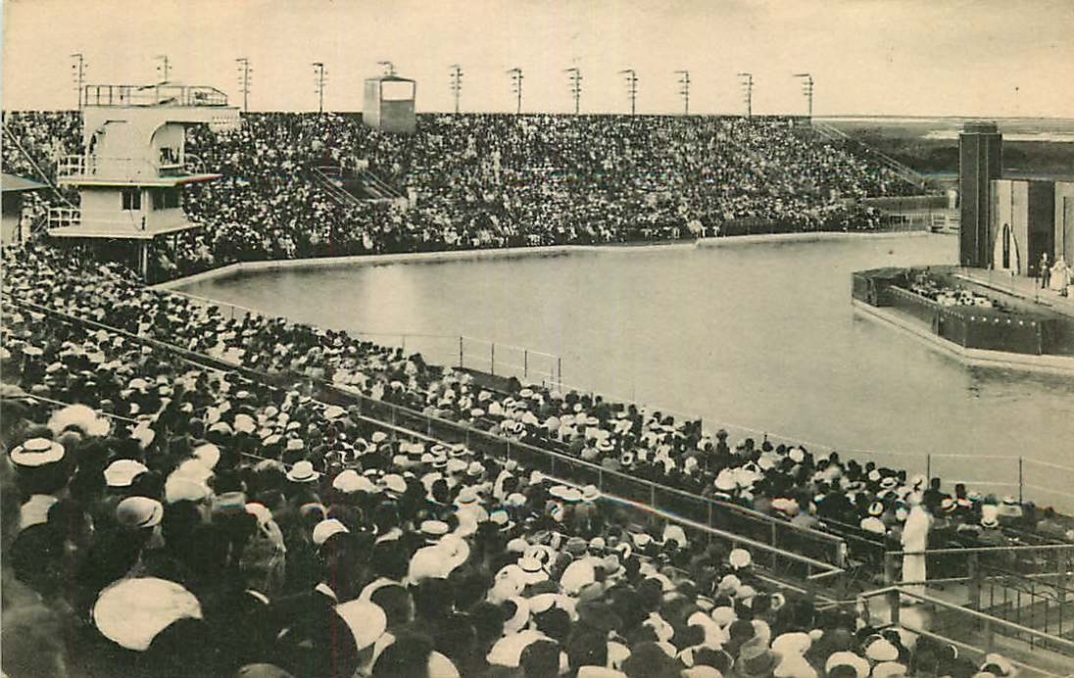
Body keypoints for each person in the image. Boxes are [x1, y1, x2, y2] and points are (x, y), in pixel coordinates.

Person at [900, 494, 931, 601]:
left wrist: (903, 541)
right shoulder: (924, 515)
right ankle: (919, 595)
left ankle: (908, 595)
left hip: (911, 545)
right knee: (920, 571)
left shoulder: (913, 515)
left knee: (909, 570)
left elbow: (908, 532)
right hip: (920, 544)